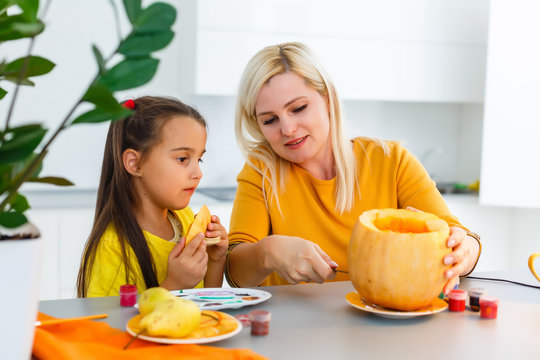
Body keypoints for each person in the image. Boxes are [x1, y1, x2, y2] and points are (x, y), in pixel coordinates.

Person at [225, 42, 481, 294]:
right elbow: (236, 275)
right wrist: (268, 253)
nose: (287, 129)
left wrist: (466, 251)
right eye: (270, 120)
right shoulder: (260, 171)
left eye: (299, 108)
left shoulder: (392, 160)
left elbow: (459, 238)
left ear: (327, 98)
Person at [76, 96, 229, 297]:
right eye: (183, 159)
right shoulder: (112, 249)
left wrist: (216, 258)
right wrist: (175, 283)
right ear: (135, 163)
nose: (198, 173)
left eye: (199, 159)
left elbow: (206, 302)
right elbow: (112, 326)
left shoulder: (183, 218)